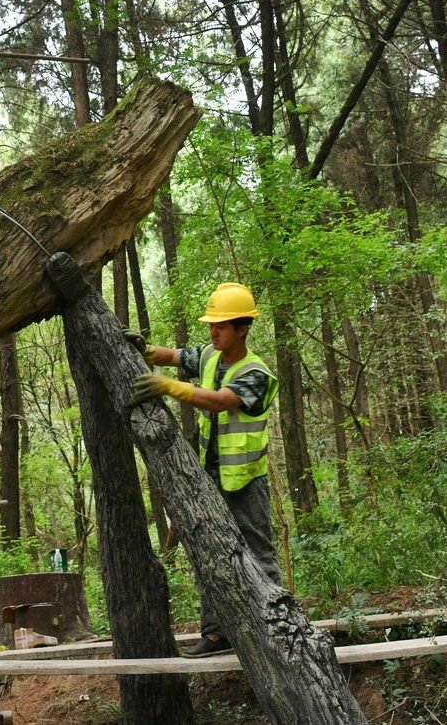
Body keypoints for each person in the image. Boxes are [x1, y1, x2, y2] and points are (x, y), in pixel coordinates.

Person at [132, 281, 282, 657]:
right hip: (210, 478)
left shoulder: (255, 373)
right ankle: (216, 633)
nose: (213, 331)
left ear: (243, 328)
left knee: (258, 555)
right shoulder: (211, 356)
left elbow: (220, 401)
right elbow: (177, 355)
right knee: (207, 551)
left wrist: (169, 388)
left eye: (222, 325)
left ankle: (277, 628)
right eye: (212, 324)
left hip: (246, 482)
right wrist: (146, 350)